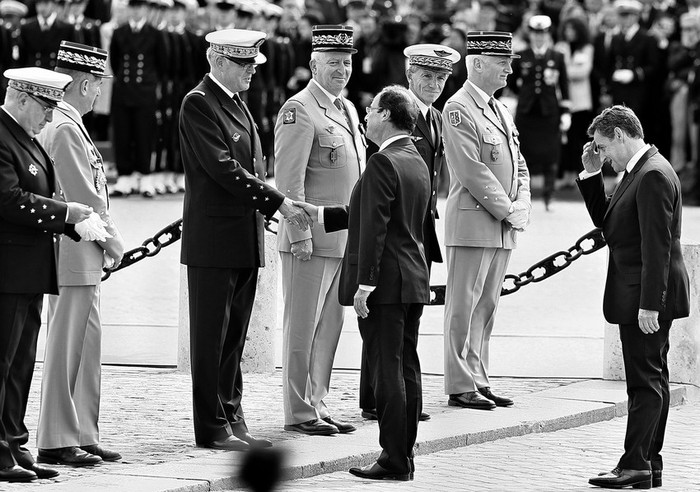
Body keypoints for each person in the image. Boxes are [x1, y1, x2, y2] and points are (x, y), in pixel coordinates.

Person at [179, 28, 310, 452]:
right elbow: (222, 168)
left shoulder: (236, 103)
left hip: (242, 236)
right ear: (217, 61)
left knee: (234, 336)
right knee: (210, 338)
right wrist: (279, 202)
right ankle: (212, 427)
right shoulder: (199, 103)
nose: (252, 71)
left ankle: (233, 417)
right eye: (243, 63)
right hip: (214, 239)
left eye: (254, 64)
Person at [299, 84, 431, 481]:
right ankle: (404, 454)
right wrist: (319, 215)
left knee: (385, 369)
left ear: (387, 115)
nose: (367, 115)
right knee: (407, 366)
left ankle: (393, 459)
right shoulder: (415, 158)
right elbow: (374, 210)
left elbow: (375, 226)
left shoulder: (381, 162)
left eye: (373, 109)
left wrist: (365, 284)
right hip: (411, 278)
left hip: (385, 283)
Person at [579, 106, 690, 490]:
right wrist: (592, 174)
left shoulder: (653, 175)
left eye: (605, 147)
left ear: (622, 136)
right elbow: (608, 222)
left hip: (645, 296)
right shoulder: (639, 170)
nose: (604, 155)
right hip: (642, 293)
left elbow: (657, 247)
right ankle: (648, 463)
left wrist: (649, 304)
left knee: (644, 383)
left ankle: (636, 464)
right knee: (652, 379)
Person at [0, 66, 98, 482]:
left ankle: (13, 440)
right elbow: (7, 198)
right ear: (21, 98)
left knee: (21, 361)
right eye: (43, 107)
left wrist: (70, 221)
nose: (48, 116)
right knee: (2, 361)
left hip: (30, 268)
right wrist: (66, 214)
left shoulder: (28, 138)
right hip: (7, 269)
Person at [358, 43, 461, 423]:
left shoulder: (434, 118)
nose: (434, 84)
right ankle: (378, 397)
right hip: (396, 229)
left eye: (441, 77)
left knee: (402, 327)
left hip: (420, 230)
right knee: (385, 324)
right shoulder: (395, 113)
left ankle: (396, 394)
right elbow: (380, 177)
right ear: (411, 75)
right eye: (427, 76)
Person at [35, 41, 125, 467]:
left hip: (81, 252)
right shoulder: (66, 127)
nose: (99, 92)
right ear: (85, 84)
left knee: (87, 346)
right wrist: (113, 241)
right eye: (98, 84)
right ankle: (55, 435)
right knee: (67, 346)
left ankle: (83, 432)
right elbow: (82, 195)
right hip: (74, 248)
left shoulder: (69, 123)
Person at [274, 24, 364, 436]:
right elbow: (289, 184)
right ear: (314, 64)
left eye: (346, 62)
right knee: (302, 326)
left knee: (330, 326)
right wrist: (299, 234)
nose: (341, 69)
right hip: (310, 241)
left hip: (342, 238)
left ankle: (318, 400)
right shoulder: (299, 109)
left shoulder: (346, 109)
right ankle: (298, 409)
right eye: (333, 63)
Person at [441, 31, 531, 411]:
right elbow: (470, 168)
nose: (509, 70)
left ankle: (478, 376)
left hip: (501, 225)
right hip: (475, 221)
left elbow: (519, 162)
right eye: (501, 63)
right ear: (476, 63)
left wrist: (522, 200)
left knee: (487, 305)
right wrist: (506, 207)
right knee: (463, 306)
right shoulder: (458, 108)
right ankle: (459, 383)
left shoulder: (499, 109)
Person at [508, 15, 570, 211]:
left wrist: (566, 112)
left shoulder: (557, 57)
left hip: (549, 112)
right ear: (530, 34)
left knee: (551, 156)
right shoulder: (521, 55)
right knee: (521, 153)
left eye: (542, 33)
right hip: (527, 112)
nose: (539, 37)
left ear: (548, 34)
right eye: (535, 33)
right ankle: (521, 195)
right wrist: (523, 96)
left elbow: (564, 86)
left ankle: (549, 195)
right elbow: (511, 83)